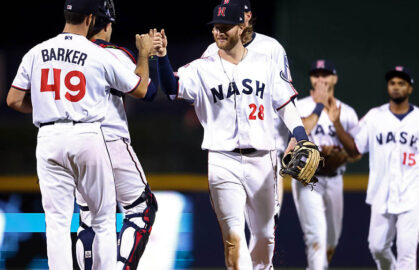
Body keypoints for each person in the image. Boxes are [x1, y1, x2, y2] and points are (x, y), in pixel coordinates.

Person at [154, 3, 314, 269]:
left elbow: (285, 104)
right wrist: (161, 57)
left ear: (242, 27)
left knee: (264, 238)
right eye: (216, 26)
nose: (219, 31)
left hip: (263, 159)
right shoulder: (202, 67)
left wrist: (301, 136)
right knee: (233, 239)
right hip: (222, 160)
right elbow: (172, 88)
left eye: (226, 26)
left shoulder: (265, 63)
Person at [5, 0, 153, 268]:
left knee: (57, 222)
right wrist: (144, 54)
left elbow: (14, 100)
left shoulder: (37, 52)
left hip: (48, 136)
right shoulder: (97, 53)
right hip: (86, 133)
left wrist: (45, 107)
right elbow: (140, 89)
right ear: (88, 19)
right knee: (103, 218)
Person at [332, 66, 419, 270]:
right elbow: (354, 149)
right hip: (381, 194)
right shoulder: (374, 116)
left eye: (401, 83)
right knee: (377, 248)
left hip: (413, 195)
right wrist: (337, 124)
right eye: (392, 83)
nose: (396, 87)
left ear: (410, 89)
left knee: (407, 255)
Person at [73, 1, 159, 270]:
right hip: (110, 140)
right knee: (141, 209)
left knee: (89, 217)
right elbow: (148, 90)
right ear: (107, 25)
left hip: (75, 143)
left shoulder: (65, 55)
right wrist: (145, 55)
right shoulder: (114, 54)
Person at [202, 0, 294, 216]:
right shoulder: (211, 50)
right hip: (226, 152)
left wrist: (294, 134)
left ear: (248, 17)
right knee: (234, 224)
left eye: (238, 14)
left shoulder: (271, 48)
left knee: (267, 224)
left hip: (267, 147)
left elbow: (286, 94)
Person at [290, 60, 359, 269]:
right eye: (316, 75)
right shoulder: (299, 106)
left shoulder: (347, 112)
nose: (320, 79)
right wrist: (319, 155)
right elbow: (293, 143)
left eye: (325, 74)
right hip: (308, 179)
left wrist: (341, 155)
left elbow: (356, 153)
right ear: (311, 79)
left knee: (331, 241)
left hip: (335, 180)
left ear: (334, 79)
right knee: (316, 239)